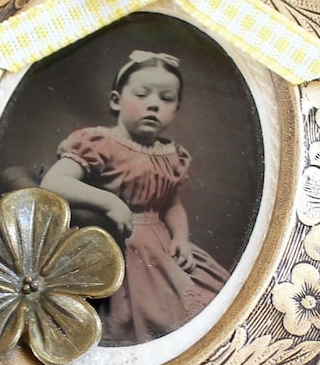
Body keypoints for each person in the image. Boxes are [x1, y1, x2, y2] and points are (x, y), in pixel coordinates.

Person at [41, 50, 228, 345]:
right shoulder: (99, 142)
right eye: (142, 94)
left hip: (161, 248)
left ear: (176, 109)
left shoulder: (172, 155)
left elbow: (171, 204)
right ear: (116, 101)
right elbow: (53, 182)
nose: (154, 104)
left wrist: (181, 237)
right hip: (118, 244)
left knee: (203, 305)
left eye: (166, 99)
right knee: (133, 317)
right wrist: (110, 202)